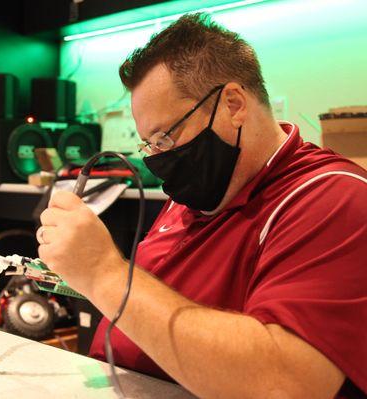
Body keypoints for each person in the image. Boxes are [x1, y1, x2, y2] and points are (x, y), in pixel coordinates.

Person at [35, 13, 367, 399]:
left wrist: (103, 272)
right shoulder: (198, 191)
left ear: (233, 103)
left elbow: (285, 384)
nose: (159, 159)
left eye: (165, 136)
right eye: (150, 144)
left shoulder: (333, 199)